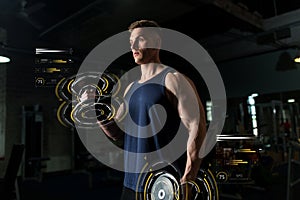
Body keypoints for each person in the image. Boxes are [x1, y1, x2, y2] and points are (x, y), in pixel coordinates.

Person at [82, 19, 206, 200]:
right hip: (131, 183)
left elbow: (197, 126)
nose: (133, 45)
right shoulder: (130, 88)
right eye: (131, 41)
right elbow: (119, 135)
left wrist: (189, 177)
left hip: (165, 183)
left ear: (156, 42)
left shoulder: (173, 79)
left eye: (140, 39)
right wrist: (96, 109)